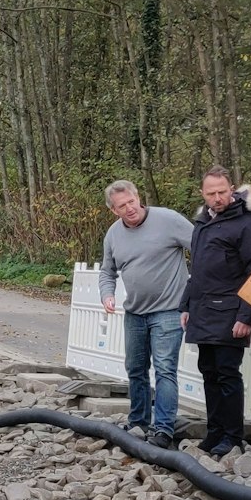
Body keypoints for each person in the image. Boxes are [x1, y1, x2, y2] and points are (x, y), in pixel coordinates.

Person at [182, 167, 251, 458]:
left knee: (227, 374)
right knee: (208, 372)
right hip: (203, 310)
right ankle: (215, 432)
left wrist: (247, 317)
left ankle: (233, 437)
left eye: (222, 192)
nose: (217, 198)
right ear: (202, 193)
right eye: (211, 193)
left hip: (231, 312)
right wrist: (186, 305)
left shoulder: (249, 224)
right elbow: (198, 271)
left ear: (232, 189)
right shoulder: (202, 223)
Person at [98, 180, 193, 449]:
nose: (129, 208)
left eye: (131, 201)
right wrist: (107, 293)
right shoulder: (114, 234)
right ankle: (139, 420)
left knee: (164, 369)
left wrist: (196, 290)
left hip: (168, 310)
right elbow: (108, 271)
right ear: (113, 210)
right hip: (135, 313)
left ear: (139, 197)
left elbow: (203, 247)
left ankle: (163, 428)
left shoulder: (169, 220)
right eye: (121, 206)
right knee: (136, 369)